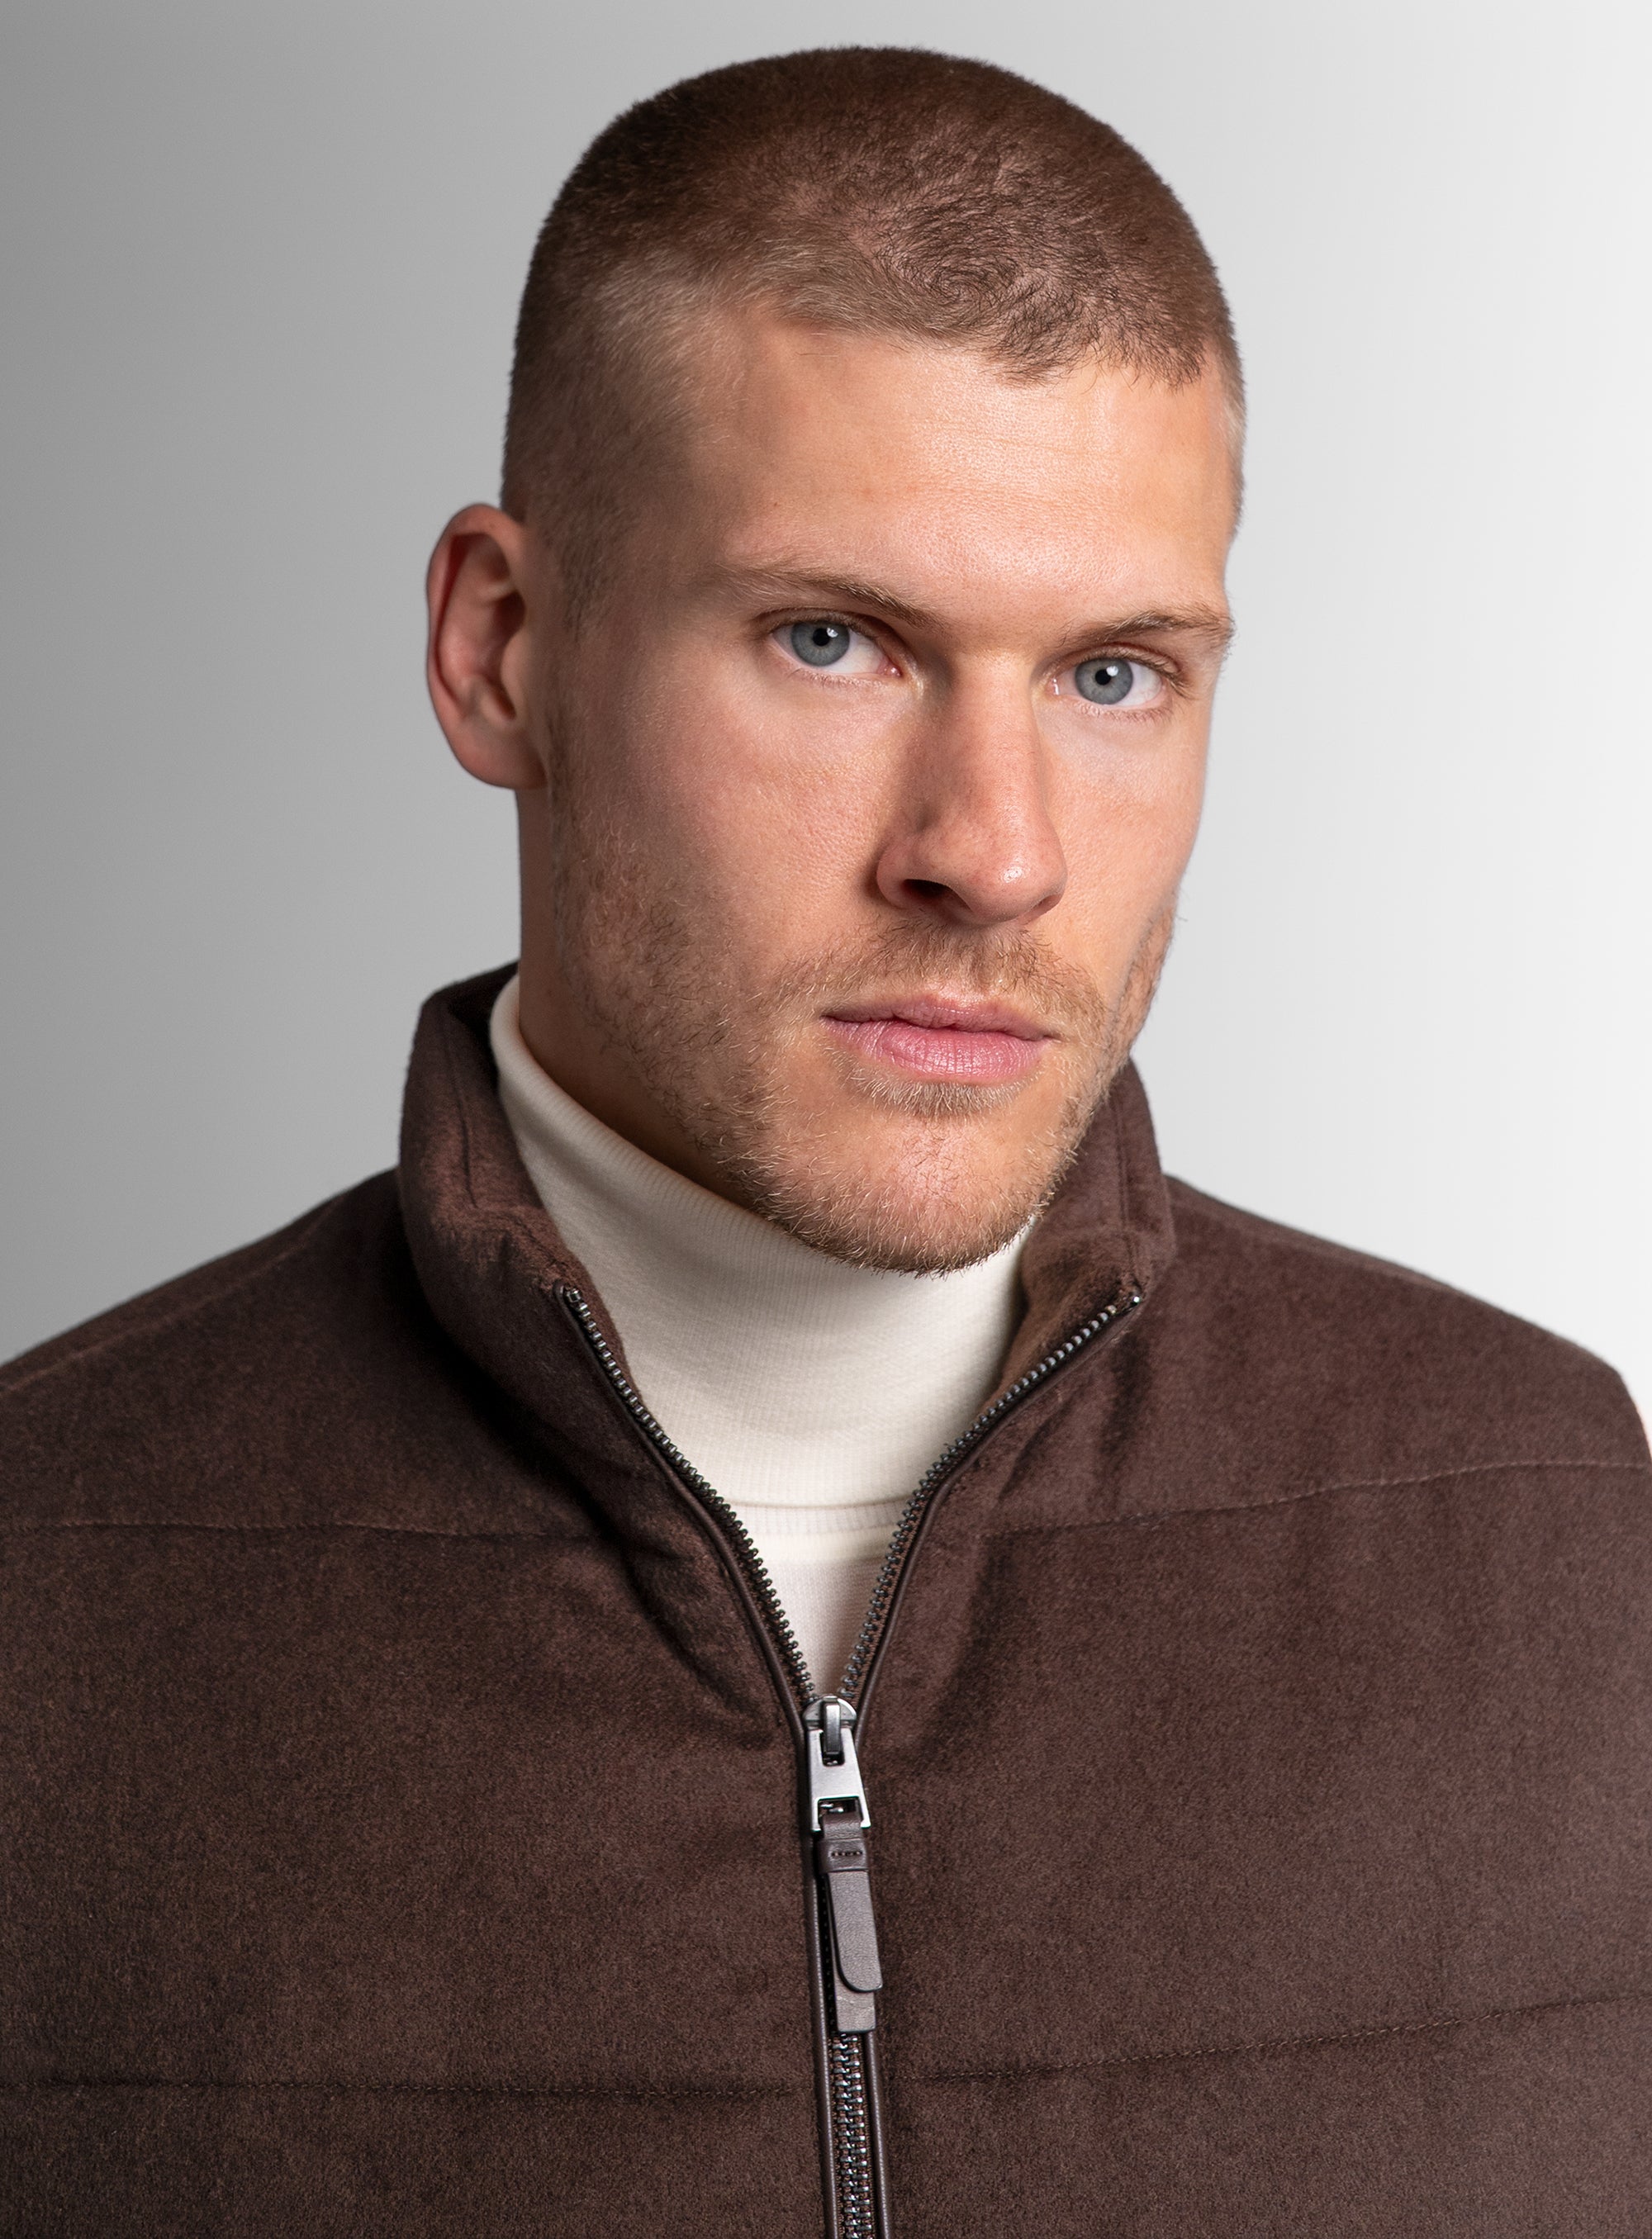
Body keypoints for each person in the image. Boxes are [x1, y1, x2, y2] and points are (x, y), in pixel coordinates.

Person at [2, 46, 1646, 2238]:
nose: (993, 855)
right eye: (833, 640)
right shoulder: (47, 1582)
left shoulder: (1552, 1520)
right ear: (503, 654)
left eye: (1117, 675)